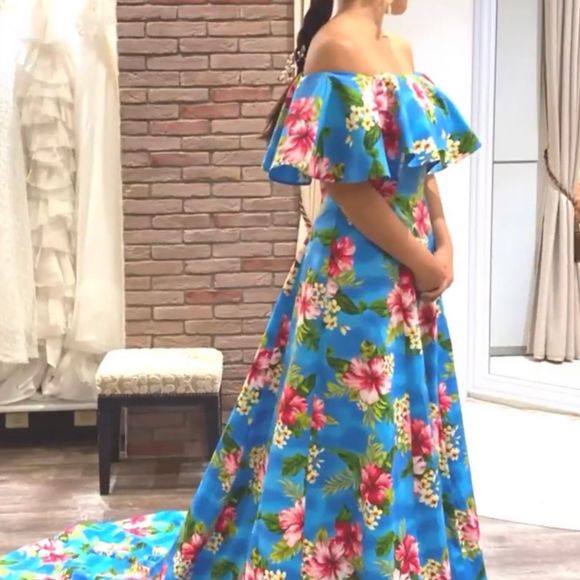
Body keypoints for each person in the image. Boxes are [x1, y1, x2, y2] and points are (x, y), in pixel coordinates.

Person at [0, 0, 487, 578]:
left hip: (410, 273)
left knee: (404, 414)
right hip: (356, 279)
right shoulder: (335, 48)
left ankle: (401, 557)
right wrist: (424, 260)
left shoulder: (399, 51)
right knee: (354, 424)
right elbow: (346, 188)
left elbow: (422, 161)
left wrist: (444, 240)